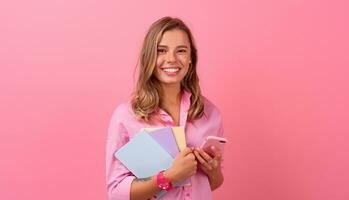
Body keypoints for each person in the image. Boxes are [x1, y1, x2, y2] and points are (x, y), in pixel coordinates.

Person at [106, 16, 225, 200]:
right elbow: (116, 192)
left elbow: (214, 183)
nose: (171, 59)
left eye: (181, 51)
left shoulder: (210, 114)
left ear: (191, 58)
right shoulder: (126, 116)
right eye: (161, 50)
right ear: (150, 57)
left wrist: (214, 171)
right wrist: (169, 177)